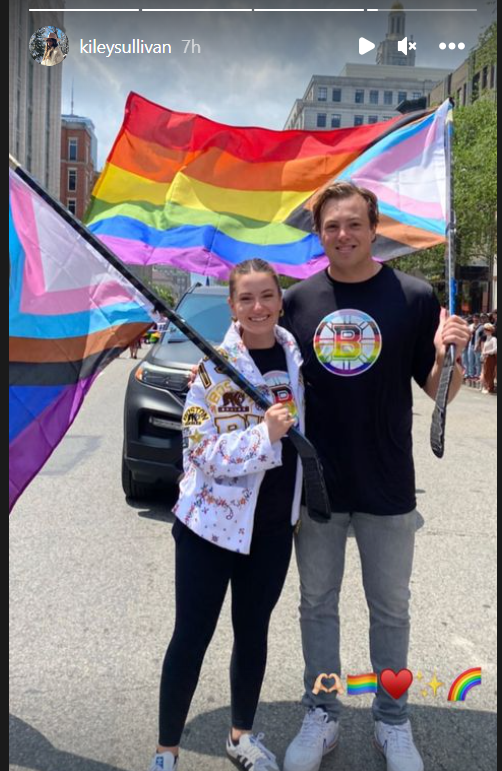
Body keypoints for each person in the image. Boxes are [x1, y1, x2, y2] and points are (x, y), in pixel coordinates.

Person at [279, 182, 470, 771]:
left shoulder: (413, 296)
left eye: (354, 224)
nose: (344, 234)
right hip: (318, 482)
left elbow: (440, 393)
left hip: (388, 482)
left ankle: (393, 722)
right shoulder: (298, 301)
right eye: (332, 226)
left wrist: (447, 356)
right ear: (320, 233)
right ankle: (324, 713)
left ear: (373, 226)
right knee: (318, 604)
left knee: (391, 608)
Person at [148, 258, 305, 771]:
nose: (258, 307)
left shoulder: (295, 355)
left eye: (267, 296)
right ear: (233, 306)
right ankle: (166, 750)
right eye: (246, 299)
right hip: (210, 527)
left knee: (253, 631)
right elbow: (199, 449)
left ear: (281, 300)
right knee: (191, 636)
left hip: (274, 526)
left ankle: (241, 735)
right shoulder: (212, 366)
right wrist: (265, 437)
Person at [480, 323, 497, 394]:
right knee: (486, 372)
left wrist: (487, 352)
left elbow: (496, 349)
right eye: (485, 330)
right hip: (486, 357)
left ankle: (490, 388)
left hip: (491, 357)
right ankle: (486, 387)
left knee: (490, 372)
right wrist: (483, 354)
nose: (485, 331)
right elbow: (484, 349)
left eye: (487, 330)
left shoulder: (493, 339)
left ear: (490, 331)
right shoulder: (487, 339)